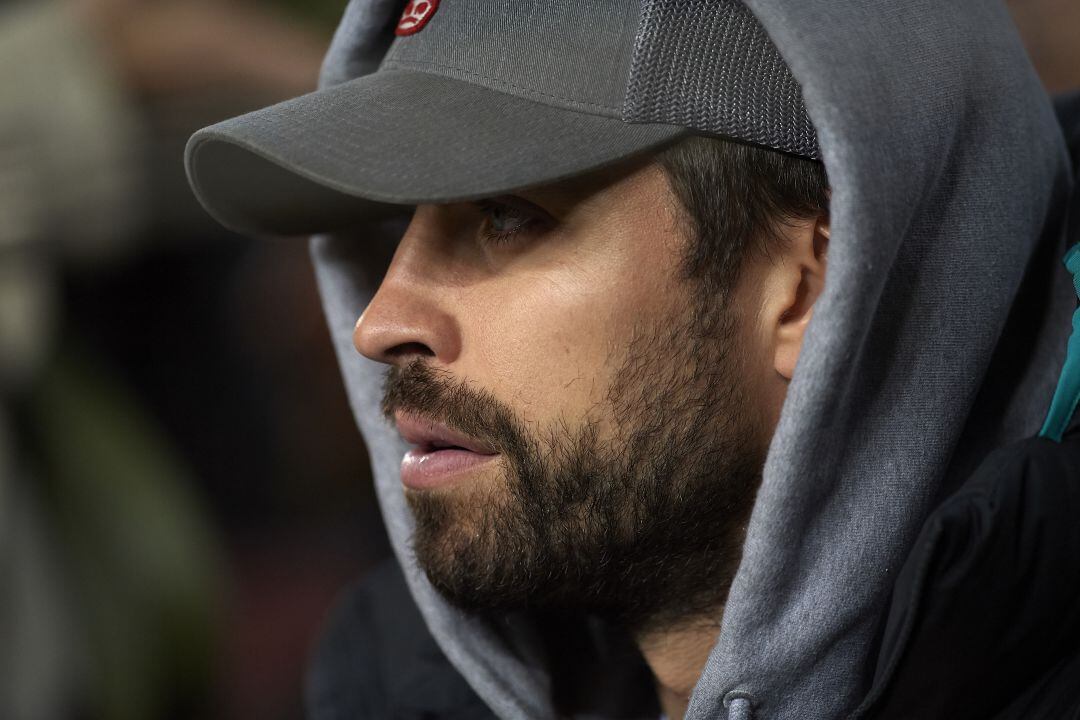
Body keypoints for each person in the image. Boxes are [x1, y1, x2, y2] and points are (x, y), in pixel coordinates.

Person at [185, 1, 1080, 717]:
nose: (380, 322)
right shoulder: (399, 685)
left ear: (812, 290)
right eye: (395, 226)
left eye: (505, 216)